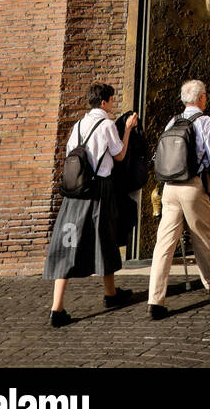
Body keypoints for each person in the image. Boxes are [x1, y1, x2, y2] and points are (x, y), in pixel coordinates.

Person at [44, 82, 139, 328]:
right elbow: (119, 155)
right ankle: (110, 294)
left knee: (67, 242)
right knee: (104, 236)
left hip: (74, 192)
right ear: (105, 102)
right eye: (111, 101)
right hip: (99, 190)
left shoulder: (77, 126)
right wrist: (127, 129)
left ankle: (58, 307)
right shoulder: (107, 124)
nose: (113, 105)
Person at [147, 79, 210, 319]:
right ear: (202, 98)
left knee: (164, 244)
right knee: (202, 237)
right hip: (191, 187)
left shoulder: (172, 121)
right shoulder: (206, 123)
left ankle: (155, 299)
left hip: (169, 188)